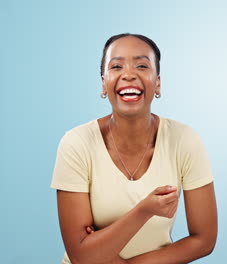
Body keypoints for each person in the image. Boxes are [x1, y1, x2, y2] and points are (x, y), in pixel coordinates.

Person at [50, 33, 218, 264]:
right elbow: (81, 256)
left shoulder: (184, 140)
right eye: (116, 66)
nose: (128, 74)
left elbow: (204, 239)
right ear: (103, 83)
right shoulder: (76, 143)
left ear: (157, 82)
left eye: (141, 65)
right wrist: (144, 211)